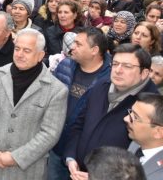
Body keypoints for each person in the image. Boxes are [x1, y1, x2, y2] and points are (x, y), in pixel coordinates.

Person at [0, 28, 68, 179]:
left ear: (40, 55)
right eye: (17, 48)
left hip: (28, 170)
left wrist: (16, 158)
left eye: (27, 50)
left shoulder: (56, 90)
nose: (19, 54)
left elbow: (50, 134)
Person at [65, 44, 159, 175]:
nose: (118, 70)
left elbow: (145, 153)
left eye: (127, 66)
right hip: (78, 171)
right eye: (115, 64)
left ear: (144, 73)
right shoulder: (100, 86)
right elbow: (79, 124)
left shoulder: (151, 106)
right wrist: (71, 157)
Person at [49, 28, 112, 180]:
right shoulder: (65, 66)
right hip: (56, 147)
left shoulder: (110, 79)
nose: (72, 47)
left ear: (94, 50)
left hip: (85, 156)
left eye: (78, 44)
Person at [125, 93, 163, 179]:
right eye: (130, 112)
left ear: (158, 132)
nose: (126, 118)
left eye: (135, 117)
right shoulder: (137, 143)